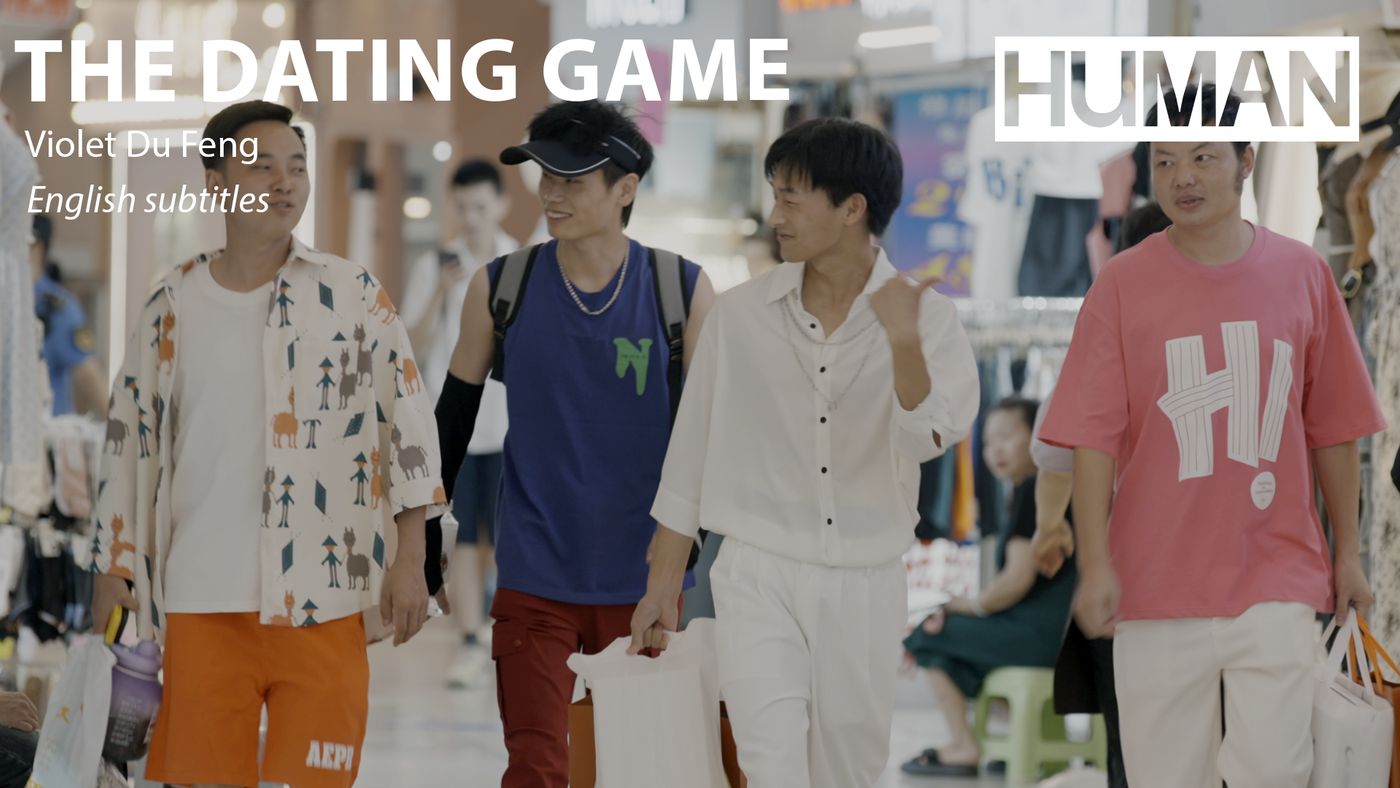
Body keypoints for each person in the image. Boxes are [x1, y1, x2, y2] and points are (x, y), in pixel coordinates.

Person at [1039, 82, 1386, 788]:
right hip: (1154, 581)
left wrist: (1347, 555)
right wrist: (1097, 565)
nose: (1182, 178)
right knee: (1166, 775)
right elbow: (1091, 438)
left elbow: (1334, 428)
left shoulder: (1304, 274)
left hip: (1278, 575)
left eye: (1202, 156)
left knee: (1277, 772)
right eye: (1164, 161)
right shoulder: (1120, 285)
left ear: (1245, 160)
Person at [91, 100, 445, 788]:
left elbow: (407, 425)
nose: (285, 182)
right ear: (217, 183)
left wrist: (414, 556)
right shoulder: (171, 303)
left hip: (324, 599)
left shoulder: (353, 295)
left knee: (318, 780)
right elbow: (127, 442)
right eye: (262, 167)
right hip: (201, 599)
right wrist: (112, 568)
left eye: (297, 167)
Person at [631, 117, 980, 788]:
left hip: (866, 580)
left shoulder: (929, 318)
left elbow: (928, 439)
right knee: (771, 765)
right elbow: (690, 453)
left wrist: (903, 342)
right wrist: (661, 585)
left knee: (847, 771)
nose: (775, 216)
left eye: (791, 198)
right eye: (776, 196)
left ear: (852, 208)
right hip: (756, 571)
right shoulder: (739, 316)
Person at [434, 99, 715, 788]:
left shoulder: (680, 290)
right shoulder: (502, 287)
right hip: (534, 572)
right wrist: (422, 535)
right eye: (545, 177)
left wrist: (690, 556)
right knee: (536, 766)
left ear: (626, 189)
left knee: (639, 770)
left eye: (572, 181)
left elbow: (713, 435)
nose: (551, 194)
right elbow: (452, 420)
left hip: (646, 578)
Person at [900, 396, 1076, 777]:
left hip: (1036, 636)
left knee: (928, 634)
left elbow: (1017, 579)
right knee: (945, 654)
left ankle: (964, 745)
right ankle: (1010, 739)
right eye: (987, 441)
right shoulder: (1045, 493)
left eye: (1006, 436)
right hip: (1057, 638)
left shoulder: (1034, 491)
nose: (995, 449)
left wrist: (964, 604)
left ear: (1038, 438)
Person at [399, 159, 519, 689]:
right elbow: (412, 346)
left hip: (511, 427)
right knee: (465, 538)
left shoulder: (520, 263)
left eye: (480, 206)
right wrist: (443, 292)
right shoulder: (436, 266)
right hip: (457, 431)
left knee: (506, 540)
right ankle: (471, 640)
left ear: (501, 205)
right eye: (462, 207)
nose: (471, 218)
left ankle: (501, 636)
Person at [30, 214, 107, 418]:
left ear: (36, 249)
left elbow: (88, 374)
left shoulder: (57, 308)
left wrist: (121, 429)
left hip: (48, 428)